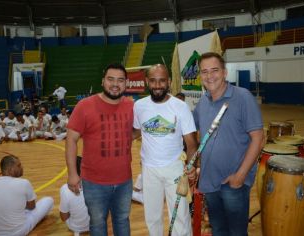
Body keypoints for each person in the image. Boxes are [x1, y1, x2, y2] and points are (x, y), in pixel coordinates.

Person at [193, 52, 264, 236]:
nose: (209, 76)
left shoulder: (243, 97)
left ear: (224, 72)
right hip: (210, 182)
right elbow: (188, 132)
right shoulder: (202, 102)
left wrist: (240, 176)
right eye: (204, 72)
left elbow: (258, 138)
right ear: (200, 76)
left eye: (214, 70)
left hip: (233, 183)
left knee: (237, 232)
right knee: (218, 230)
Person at [65, 63, 134, 236]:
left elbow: (136, 130)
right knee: (97, 222)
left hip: (124, 180)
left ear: (126, 83)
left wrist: (128, 137)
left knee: (122, 220)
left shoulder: (131, 105)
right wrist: (73, 173)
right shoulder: (84, 105)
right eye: (111, 79)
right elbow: (71, 140)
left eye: (120, 80)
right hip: (94, 182)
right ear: (103, 81)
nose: (115, 84)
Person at [133, 64, 198, 236]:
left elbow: (191, 143)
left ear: (169, 82)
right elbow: (137, 130)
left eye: (162, 81)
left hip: (175, 169)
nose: (157, 85)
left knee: (180, 218)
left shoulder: (180, 106)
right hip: (149, 169)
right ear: (147, 82)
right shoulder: (139, 106)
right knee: (152, 216)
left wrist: (191, 166)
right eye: (153, 81)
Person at [0, 155, 54, 236]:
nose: (22, 167)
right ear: (10, 169)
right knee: (49, 200)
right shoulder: (24, 183)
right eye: (19, 165)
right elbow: (32, 207)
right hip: (17, 232)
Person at [60, 156, 90, 234]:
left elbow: (64, 217)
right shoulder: (95, 183)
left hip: (75, 227)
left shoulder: (65, 189)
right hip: (95, 224)